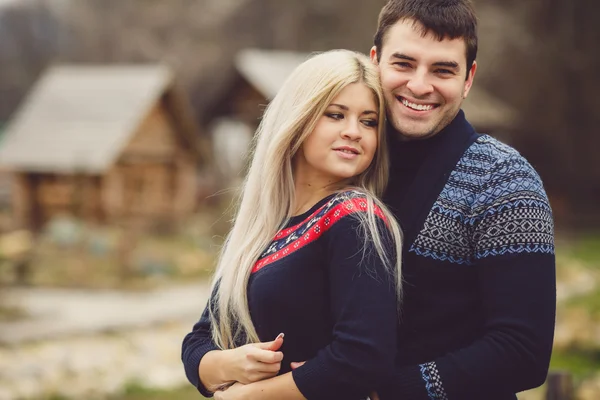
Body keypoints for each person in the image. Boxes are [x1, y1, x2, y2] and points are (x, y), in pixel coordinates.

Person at [182, 49, 404, 400]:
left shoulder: (356, 219)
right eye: (335, 114)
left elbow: (362, 357)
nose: (353, 132)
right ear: (299, 118)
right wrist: (230, 365)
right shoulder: (259, 228)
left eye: (368, 121)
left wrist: (247, 396)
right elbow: (198, 340)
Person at [363, 0, 556, 398]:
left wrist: (384, 393)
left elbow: (523, 352)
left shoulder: (504, 181)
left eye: (443, 70)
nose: (419, 85)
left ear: (468, 79)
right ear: (375, 62)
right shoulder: (344, 165)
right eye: (403, 64)